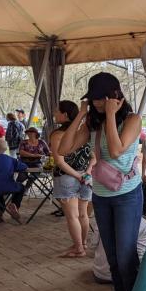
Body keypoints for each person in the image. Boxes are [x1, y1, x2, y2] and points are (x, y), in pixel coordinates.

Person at [58, 72, 146, 291]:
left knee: (126, 258)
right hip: (101, 196)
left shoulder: (133, 120)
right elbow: (62, 148)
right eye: (93, 99)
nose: (97, 104)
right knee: (112, 260)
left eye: (100, 99)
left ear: (114, 96)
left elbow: (118, 149)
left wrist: (111, 114)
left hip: (127, 196)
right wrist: (81, 114)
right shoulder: (92, 123)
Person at [50, 101, 93, 258]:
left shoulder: (57, 135)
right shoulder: (84, 132)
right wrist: (85, 173)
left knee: (72, 216)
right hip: (86, 177)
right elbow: (93, 157)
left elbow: (59, 161)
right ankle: (83, 243)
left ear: (65, 114)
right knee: (83, 215)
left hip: (67, 178)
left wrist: (76, 175)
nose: (55, 113)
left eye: (57, 111)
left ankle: (78, 248)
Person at [93, 183, 146, 283]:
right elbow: (140, 256)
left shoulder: (103, 216)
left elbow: (93, 243)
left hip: (99, 272)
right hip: (122, 276)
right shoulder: (145, 225)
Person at [0, 138, 27, 223]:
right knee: (21, 187)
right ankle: (14, 204)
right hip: (8, 186)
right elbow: (24, 166)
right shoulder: (10, 159)